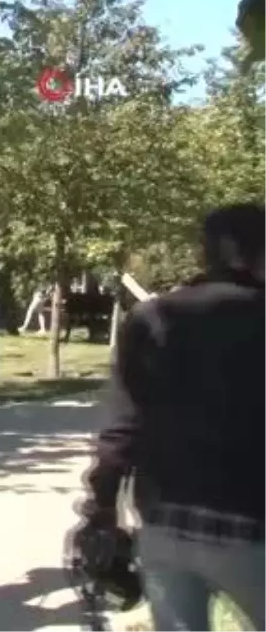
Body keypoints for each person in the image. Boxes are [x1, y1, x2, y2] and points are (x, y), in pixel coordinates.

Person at [73, 203, 266, 629]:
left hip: (165, 529)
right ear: (246, 251)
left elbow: (121, 430)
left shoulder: (154, 318)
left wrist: (100, 509)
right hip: (252, 531)